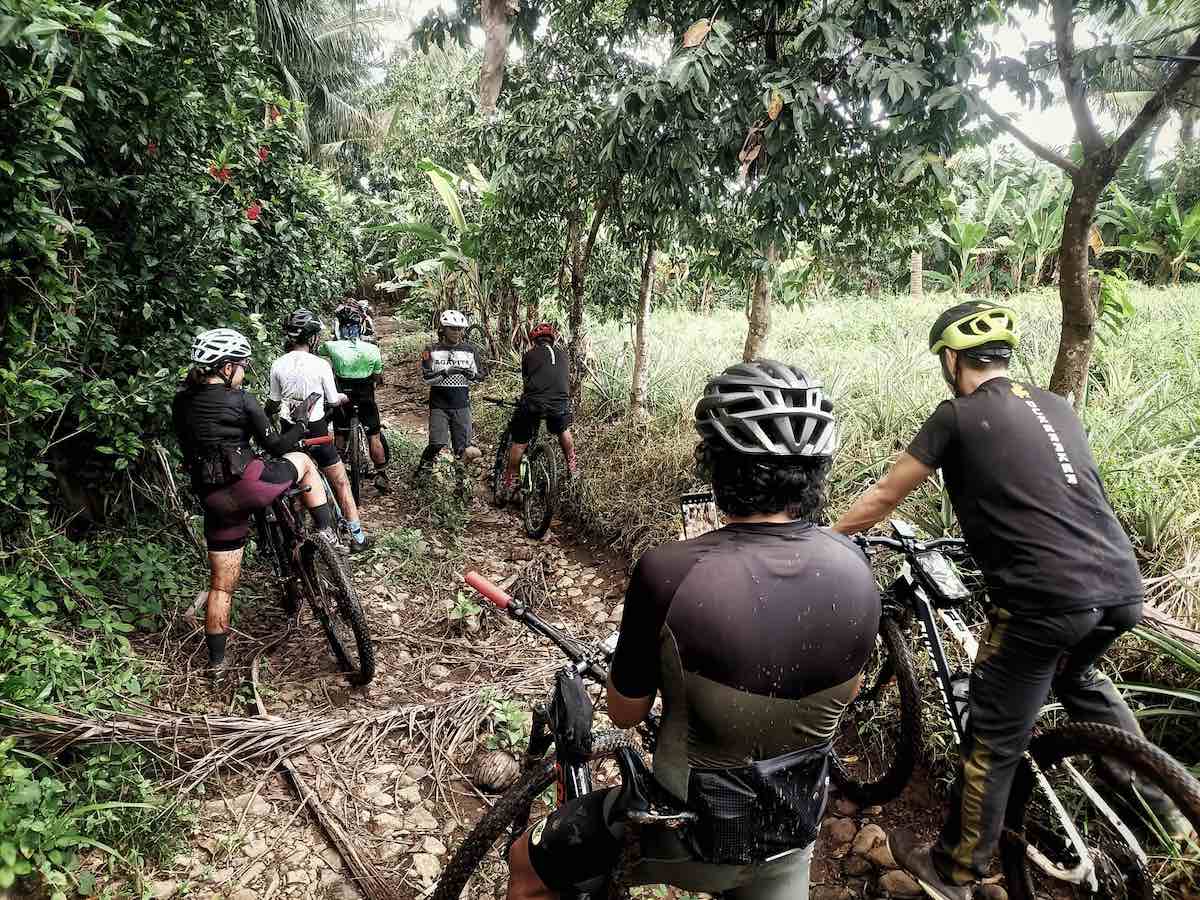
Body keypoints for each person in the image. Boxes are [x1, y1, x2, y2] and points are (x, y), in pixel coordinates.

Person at [833, 300, 1188, 900]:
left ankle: (953, 868)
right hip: (1120, 590)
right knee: (1081, 681)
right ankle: (1168, 812)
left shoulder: (956, 416)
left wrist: (826, 537)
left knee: (993, 738)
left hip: (1041, 603)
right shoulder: (1055, 406)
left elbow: (885, 495)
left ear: (952, 359)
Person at [506, 360, 881, 900]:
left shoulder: (670, 570)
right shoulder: (858, 566)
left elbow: (625, 713)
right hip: (792, 833)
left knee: (528, 866)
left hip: (685, 834)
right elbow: (841, 692)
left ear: (717, 466)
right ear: (815, 473)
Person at [172, 328, 340, 679]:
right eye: (243, 365)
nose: (245, 371)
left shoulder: (181, 401)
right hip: (251, 483)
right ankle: (326, 534)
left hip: (215, 499)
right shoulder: (242, 400)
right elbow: (278, 446)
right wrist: (302, 424)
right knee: (303, 463)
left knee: (221, 586)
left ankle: (217, 663)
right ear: (227, 367)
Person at [267, 309, 374, 553]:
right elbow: (333, 399)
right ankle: (357, 537)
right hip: (316, 430)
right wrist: (343, 397)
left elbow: (273, 402)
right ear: (312, 337)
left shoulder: (277, 364)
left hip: (289, 431)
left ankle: (299, 535)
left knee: (298, 484)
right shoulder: (320, 364)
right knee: (340, 482)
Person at [499, 322, 577, 503]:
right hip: (559, 403)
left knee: (519, 442)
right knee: (563, 430)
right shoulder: (564, 355)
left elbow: (527, 383)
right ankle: (572, 465)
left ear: (534, 341)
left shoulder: (529, 355)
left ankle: (510, 482)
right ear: (553, 339)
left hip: (534, 403)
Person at [322, 303, 390, 495]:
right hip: (366, 396)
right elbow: (378, 376)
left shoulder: (331, 346)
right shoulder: (372, 348)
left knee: (340, 436)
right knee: (374, 437)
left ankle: (338, 472)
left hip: (342, 397)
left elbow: (318, 351)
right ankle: (382, 475)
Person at [416, 309, 486, 476]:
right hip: (439, 404)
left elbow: (481, 376)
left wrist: (472, 375)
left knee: (462, 448)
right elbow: (426, 378)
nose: (457, 332)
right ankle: (423, 468)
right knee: (437, 442)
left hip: (461, 404)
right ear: (443, 329)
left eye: (460, 329)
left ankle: (460, 483)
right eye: (452, 328)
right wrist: (447, 372)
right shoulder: (429, 349)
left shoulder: (471, 350)